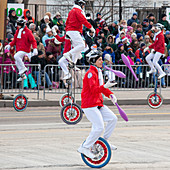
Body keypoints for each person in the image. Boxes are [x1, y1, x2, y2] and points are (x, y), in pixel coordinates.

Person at [77, 50, 118, 159]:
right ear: (93, 61)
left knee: (113, 119)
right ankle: (85, 147)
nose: (102, 61)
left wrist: (111, 95)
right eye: (99, 60)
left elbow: (102, 88)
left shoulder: (98, 71)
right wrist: (106, 86)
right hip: (89, 105)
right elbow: (94, 90)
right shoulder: (91, 73)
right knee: (99, 127)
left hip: (98, 103)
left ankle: (105, 140)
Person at [63, 0, 95, 79]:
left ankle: (73, 63)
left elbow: (67, 22)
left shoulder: (71, 11)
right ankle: (68, 54)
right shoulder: (77, 11)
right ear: (80, 4)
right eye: (83, 5)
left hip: (70, 31)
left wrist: (67, 31)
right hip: (74, 31)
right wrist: (91, 28)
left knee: (78, 49)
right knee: (82, 45)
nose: (84, 7)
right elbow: (83, 20)